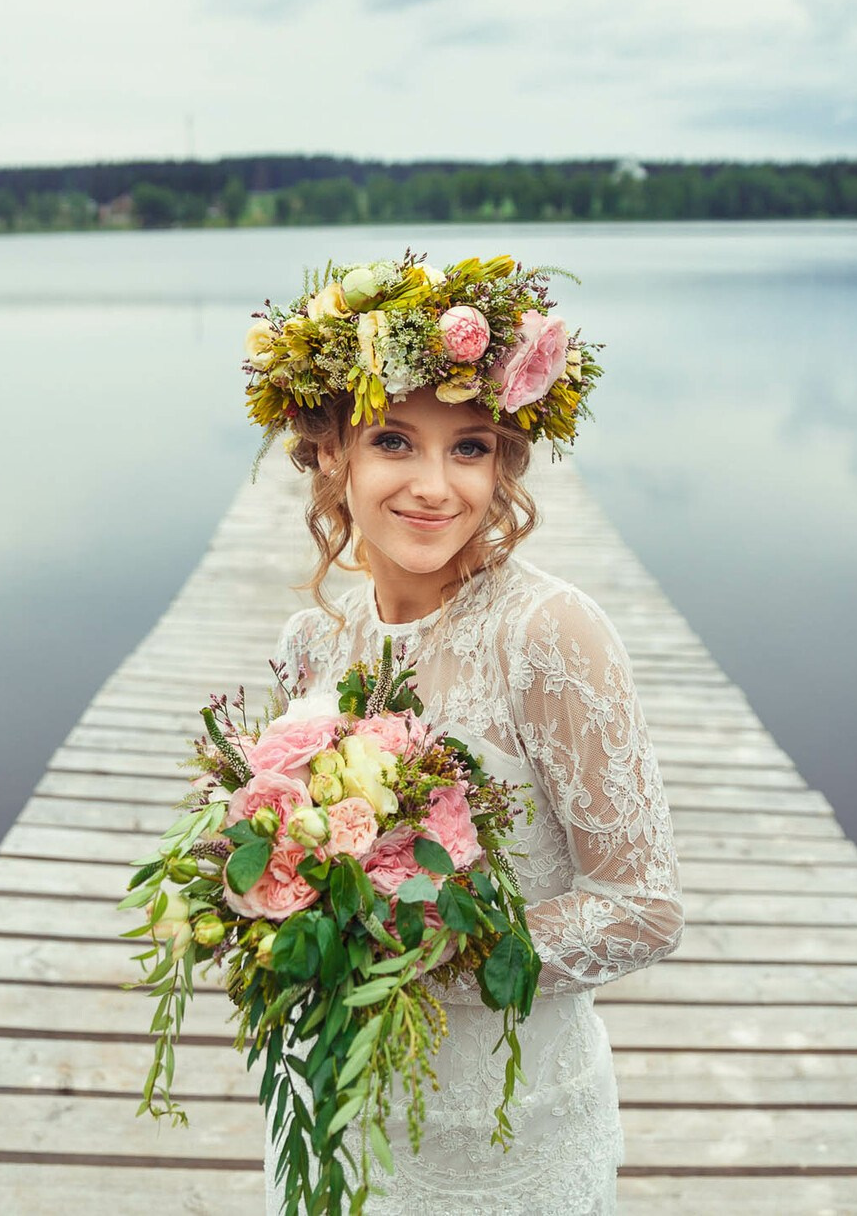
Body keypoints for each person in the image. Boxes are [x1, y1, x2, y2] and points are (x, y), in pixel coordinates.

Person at [243, 253, 684, 1215]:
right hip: (341, 1114)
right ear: (331, 454)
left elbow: (642, 904)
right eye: (395, 440)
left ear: (506, 463)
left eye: (471, 447)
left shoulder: (548, 636)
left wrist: (422, 950)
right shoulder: (313, 640)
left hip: (508, 1133)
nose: (435, 486)